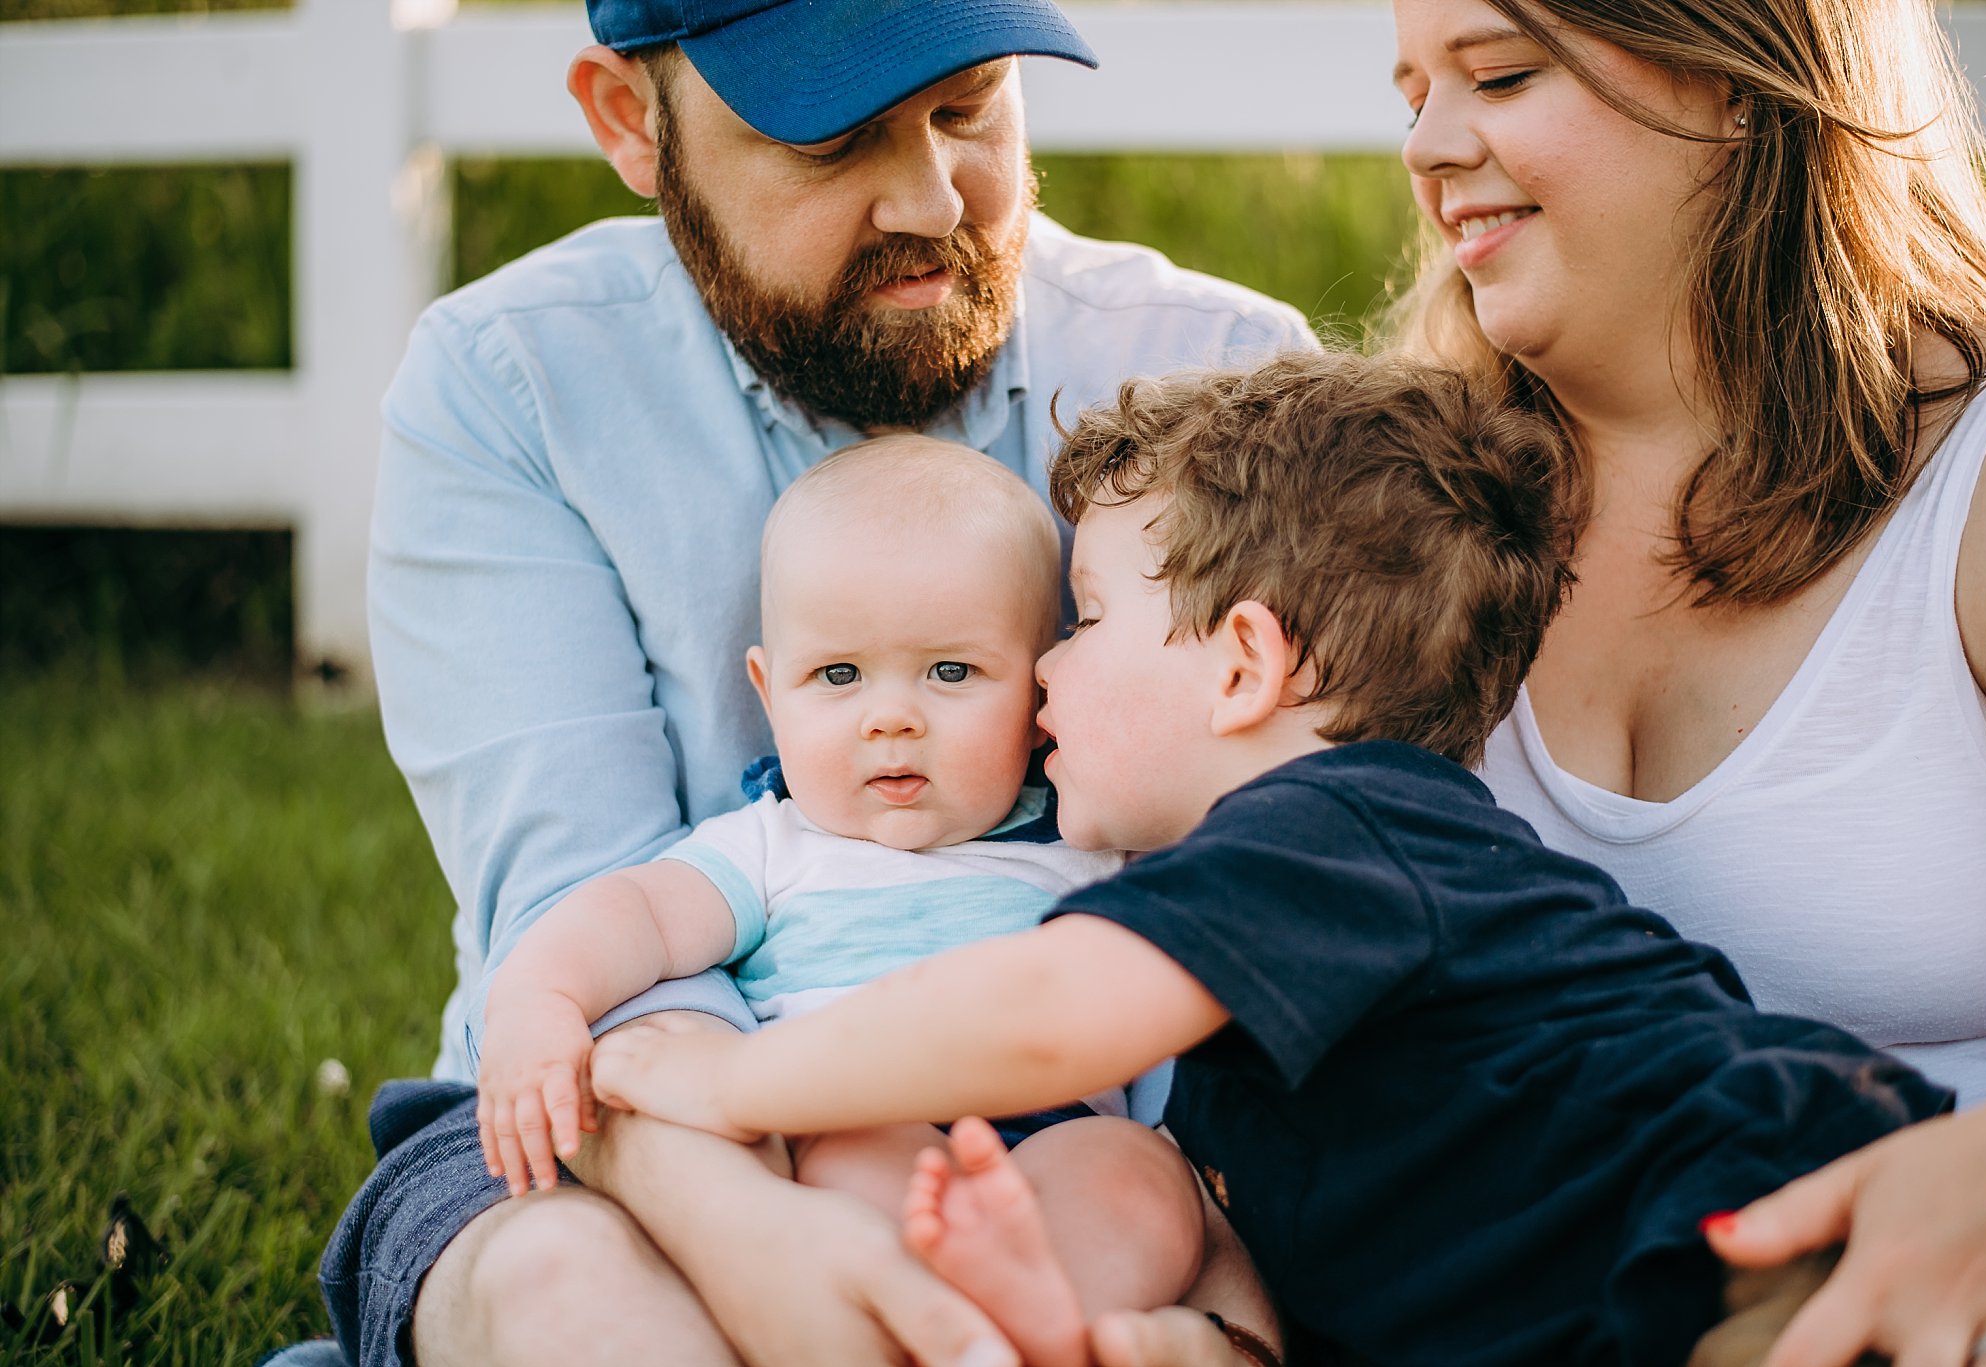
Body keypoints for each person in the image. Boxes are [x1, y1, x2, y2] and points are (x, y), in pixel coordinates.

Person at [585, 350, 1955, 1367]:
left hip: (1744, 1208)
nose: (1045, 669)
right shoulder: (1274, 942)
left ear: (1242, 662)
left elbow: (1041, 1017)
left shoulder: (1336, 823)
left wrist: (738, 1075)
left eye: (1088, 619)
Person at [308, 0, 1317, 1364]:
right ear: (631, 124)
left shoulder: (1228, 380)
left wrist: (1226, 1292)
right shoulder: (514, 388)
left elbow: (1304, 880)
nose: (926, 197)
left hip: (1103, 1129)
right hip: (587, 1118)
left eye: (968, 108)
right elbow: (581, 923)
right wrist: (746, 1221)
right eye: (833, 138)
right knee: (568, 1291)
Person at [1386, 0, 1986, 1362]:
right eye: (1411, 95)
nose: (1433, 146)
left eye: (1500, 73)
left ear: (1739, 79)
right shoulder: (1388, 523)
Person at [476, 435, 1205, 1367]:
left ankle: (1035, 1326)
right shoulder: (775, 848)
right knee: (855, 1163)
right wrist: (538, 998)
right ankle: (949, 1326)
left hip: (1062, 1131)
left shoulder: (1091, 842)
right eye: (838, 675)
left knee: (1144, 1177)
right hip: (861, 1115)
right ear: (768, 693)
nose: (890, 715)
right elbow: (637, 914)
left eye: (950, 672)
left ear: (1041, 689)